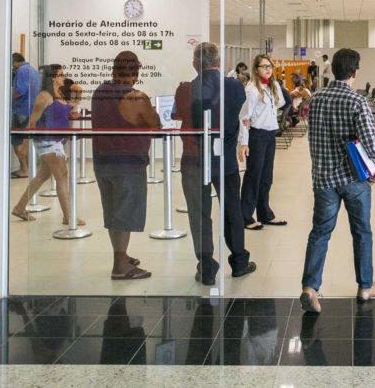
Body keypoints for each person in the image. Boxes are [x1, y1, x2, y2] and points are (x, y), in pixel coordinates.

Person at [300, 48, 375, 313]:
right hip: (354, 179)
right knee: (361, 232)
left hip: (323, 179)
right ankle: (365, 286)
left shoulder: (316, 98)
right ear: (354, 72)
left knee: (320, 233)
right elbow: (370, 140)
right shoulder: (356, 101)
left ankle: (310, 288)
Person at [173, 42, 255, 286]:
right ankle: (239, 261)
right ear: (219, 62)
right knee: (232, 210)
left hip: (194, 159)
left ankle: (207, 267)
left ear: (194, 64)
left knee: (199, 213)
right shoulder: (234, 86)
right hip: (224, 158)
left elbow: (176, 115)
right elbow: (237, 109)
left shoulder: (185, 89)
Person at [91, 51, 160, 280]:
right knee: (125, 212)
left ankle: (121, 254)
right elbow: (156, 125)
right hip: (128, 162)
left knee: (112, 211)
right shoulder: (137, 97)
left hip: (101, 160)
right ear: (136, 72)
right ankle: (120, 265)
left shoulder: (99, 92)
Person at [10, 64, 84, 227]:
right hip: (48, 141)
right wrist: (24, 145)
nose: (63, 77)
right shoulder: (44, 96)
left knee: (42, 176)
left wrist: (71, 113)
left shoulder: (58, 94)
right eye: (60, 75)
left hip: (56, 140)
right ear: (52, 78)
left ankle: (19, 207)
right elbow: (32, 121)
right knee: (62, 176)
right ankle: (68, 216)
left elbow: (61, 111)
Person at [238, 54, 287, 230]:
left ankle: (265, 213)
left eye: (270, 66)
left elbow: (281, 103)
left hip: (270, 134)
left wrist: (275, 84)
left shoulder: (271, 86)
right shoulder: (251, 91)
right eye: (264, 66)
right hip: (257, 135)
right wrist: (244, 143)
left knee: (266, 176)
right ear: (256, 69)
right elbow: (244, 118)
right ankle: (245, 216)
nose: (268, 69)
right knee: (254, 175)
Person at [11, 52, 40, 178]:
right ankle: (29, 168)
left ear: (14, 62)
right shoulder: (33, 71)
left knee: (17, 140)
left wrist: (5, 95)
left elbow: (20, 91)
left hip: (21, 110)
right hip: (32, 110)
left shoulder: (21, 71)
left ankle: (24, 168)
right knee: (27, 140)